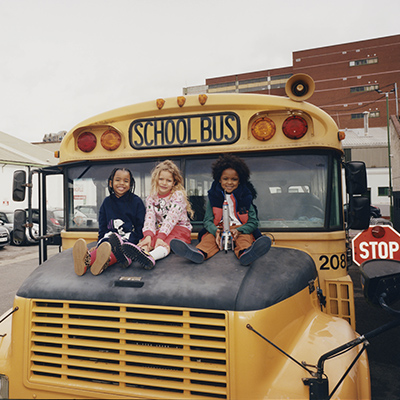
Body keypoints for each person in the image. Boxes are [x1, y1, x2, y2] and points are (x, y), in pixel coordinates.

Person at [170, 154, 271, 266]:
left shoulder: (245, 198)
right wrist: (215, 231)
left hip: (240, 229)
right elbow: (207, 221)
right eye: (225, 179)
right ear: (219, 179)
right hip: (219, 229)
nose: (229, 182)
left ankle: (246, 254)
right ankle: (198, 253)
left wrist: (240, 230)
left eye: (234, 179)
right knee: (209, 240)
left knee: (244, 239)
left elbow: (253, 222)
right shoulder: (214, 198)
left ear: (240, 181)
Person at [121, 160, 193, 270]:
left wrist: (161, 238)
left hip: (180, 229)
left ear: (174, 183)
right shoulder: (152, 198)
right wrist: (149, 236)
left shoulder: (178, 196)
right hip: (161, 230)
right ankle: (139, 253)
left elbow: (171, 219)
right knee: (148, 240)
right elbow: (149, 218)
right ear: (156, 179)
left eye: (168, 180)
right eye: (161, 179)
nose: (164, 183)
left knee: (167, 242)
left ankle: (151, 257)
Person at [73, 167, 145, 276]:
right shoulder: (106, 202)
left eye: (126, 181)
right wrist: (99, 243)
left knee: (120, 250)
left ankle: (92, 261)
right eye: (118, 180)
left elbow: (141, 225)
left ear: (130, 184)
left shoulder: (136, 202)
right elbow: (102, 226)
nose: (122, 183)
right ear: (111, 183)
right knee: (105, 244)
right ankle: (86, 261)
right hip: (110, 236)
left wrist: (140, 240)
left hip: (128, 238)